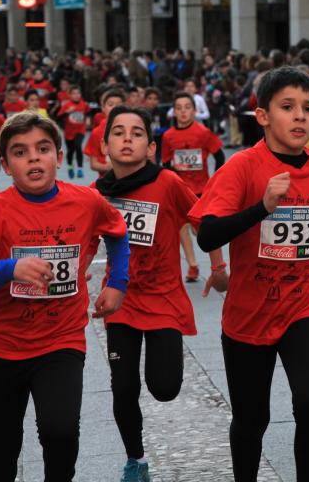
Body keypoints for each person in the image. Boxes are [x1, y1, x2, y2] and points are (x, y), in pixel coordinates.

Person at [189, 66, 309, 481]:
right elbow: (208, 232)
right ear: (263, 115)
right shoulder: (242, 167)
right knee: (252, 419)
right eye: (288, 107)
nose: (301, 117)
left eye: (308, 108)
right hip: (249, 311)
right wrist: (262, 209)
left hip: (306, 301)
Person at [0, 112, 130, 482]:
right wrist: (8, 269)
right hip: (2, 347)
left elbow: (118, 231)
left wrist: (118, 282)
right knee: (1, 448)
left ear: (58, 157)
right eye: (20, 152)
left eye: (42, 149)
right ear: (6, 166)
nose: (33, 158)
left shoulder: (86, 202)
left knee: (60, 432)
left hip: (61, 342)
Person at [94, 105, 227, 482]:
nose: (127, 139)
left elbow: (204, 222)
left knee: (165, 388)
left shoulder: (167, 183)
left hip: (164, 298)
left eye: (136, 134)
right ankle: (135, 461)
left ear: (151, 147)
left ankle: (159, 395)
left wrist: (218, 269)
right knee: (123, 386)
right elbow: (80, 240)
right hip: (120, 300)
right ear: (105, 145)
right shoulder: (96, 193)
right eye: (118, 133)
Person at [161, 91, 225, 283]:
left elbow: (219, 155)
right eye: (179, 108)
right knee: (181, 227)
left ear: (194, 111)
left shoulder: (203, 133)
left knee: (203, 230)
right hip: (180, 189)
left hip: (201, 189)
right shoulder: (168, 136)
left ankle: (218, 266)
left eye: (187, 108)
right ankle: (192, 265)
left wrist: (217, 181)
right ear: (174, 112)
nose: (183, 112)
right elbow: (165, 163)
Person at [84, 88, 124, 178]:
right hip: (107, 181)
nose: (115, 108)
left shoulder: (133, 129)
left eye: (119, 105)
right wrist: (111, 167)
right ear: (103, 108)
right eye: (110, 104)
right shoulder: (97, 132)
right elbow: (93, 164)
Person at [57, 86, 90, 179]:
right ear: (70, 95)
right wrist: (67, 112)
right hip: (69, 132)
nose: (76, 95)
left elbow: (87, 113)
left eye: (78, 93)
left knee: (78, 146)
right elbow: (58, 117)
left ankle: (80, 169)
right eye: (74, 93)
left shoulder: (84, 104)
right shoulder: (66, 105)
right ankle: (70, 166)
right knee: (70, 150)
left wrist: (87, 119)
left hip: (80, 130)